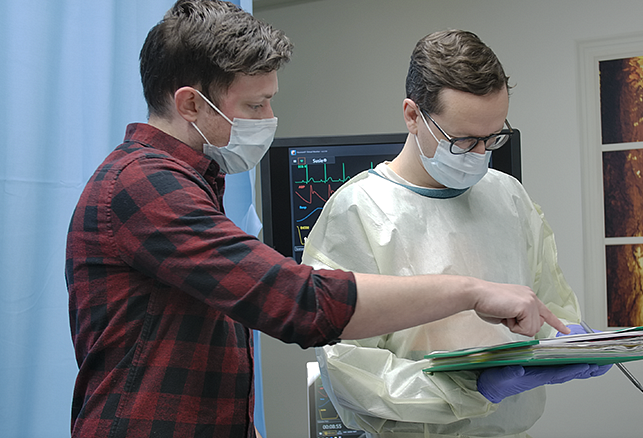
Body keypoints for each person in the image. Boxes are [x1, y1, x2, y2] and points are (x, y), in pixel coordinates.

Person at [65, 3, 571, 438]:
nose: (267, 118)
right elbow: (299, 302)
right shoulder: (142, 187)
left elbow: (191, 351)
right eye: (255, 103)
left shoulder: (189, 185)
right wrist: (470, 292)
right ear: (190, 103)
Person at [302, 30, 610, 438]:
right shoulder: (359, 211)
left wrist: (566, 342)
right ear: (413, 115)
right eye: (464, 140)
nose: (481, 154)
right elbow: (350, 370)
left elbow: (547, 307)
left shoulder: (507, 196)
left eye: (493, 137)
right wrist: (470, 390)